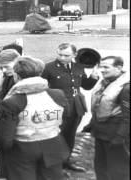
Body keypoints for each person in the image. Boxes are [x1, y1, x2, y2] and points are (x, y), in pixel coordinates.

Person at [0, 56, 70, 180]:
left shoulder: (11, 102)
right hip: (53, 144)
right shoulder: (58, 94)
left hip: (22, 149)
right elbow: (65, 117)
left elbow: (5, 138)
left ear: (16, 76)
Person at [41, 43, 99, 172]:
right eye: (60, 54)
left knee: (70, 135)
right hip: (58, 107)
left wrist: (93, 78)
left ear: (74, 55)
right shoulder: (48, 67)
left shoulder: (78, 67)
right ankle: (54, 165)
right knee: (56, 136)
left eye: (66, 55)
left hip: (76, 107)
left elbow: (86, 86)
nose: (62, 58)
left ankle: (66, 162)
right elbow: (42, 87)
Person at [87, 56, 129, 180]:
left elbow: (128, 117)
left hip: (115, 135)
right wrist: (91, 124)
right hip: (101, 133)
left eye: (106, 67)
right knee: (101, 167)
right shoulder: (105, 81)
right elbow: (99, 105)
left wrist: (120, 137)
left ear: (119, 68)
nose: (102, 70)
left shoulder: (126, 87)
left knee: (118, 170)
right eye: (101, 67)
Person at [0, 49, 20, 179]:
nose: (3, 70)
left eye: (6, 66)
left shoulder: (22, 76)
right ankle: (4, 171)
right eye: (1, 67)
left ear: (17, 61)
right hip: (1, 112)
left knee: (12, 145)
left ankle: (13, 173)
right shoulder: (1, 75)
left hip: (15, 116)